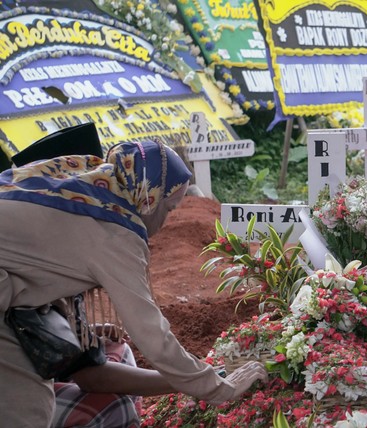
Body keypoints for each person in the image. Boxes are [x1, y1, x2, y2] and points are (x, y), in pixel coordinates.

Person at [0, 139, 268, 426]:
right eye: (168, 209)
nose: (165, 223)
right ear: (149, 198)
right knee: (28, 408)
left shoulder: (82, 191)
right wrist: (217, 386)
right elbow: (150, 333)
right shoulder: (115, 231)